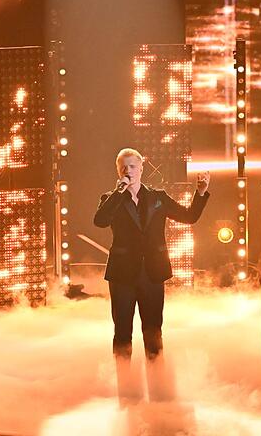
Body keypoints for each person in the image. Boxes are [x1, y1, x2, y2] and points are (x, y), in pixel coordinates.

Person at [93, 148, 210, 362]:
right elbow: (100, 221)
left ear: (141, 168)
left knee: (153, 330)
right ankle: (125, 378)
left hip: (153, 273)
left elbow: (189, 217)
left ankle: (157, 376)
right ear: (118, 171)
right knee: (122, 331)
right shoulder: (111, 199)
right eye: (123, 167)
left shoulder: (158, 197)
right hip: (122, 275)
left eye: (132, 166)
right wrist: (119, 192)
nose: (128, 171)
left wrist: (200, 193)